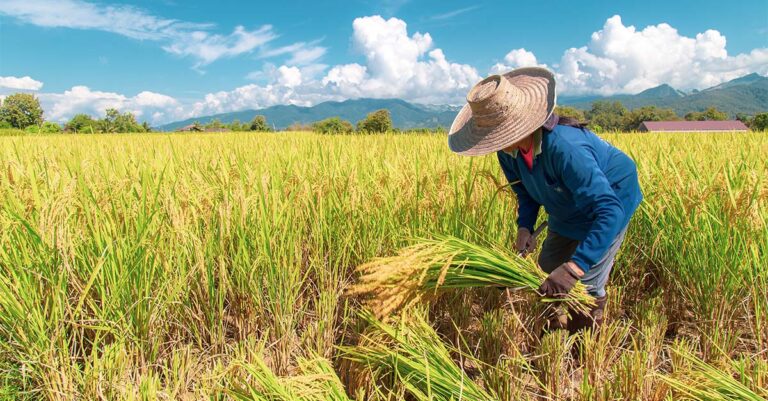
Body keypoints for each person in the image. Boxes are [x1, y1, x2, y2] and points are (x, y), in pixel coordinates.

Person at [447, 67, 642, 333]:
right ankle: (554, 329)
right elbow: (525, 192)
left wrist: (575, 268)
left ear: (519, 124)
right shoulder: (508, 151)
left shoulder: (565, 149)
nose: (496, 143)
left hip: (612, 198)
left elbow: (608, 211)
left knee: (584, 283)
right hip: (565, 202)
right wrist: (524, 227)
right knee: (549, 266)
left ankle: (582, 343)